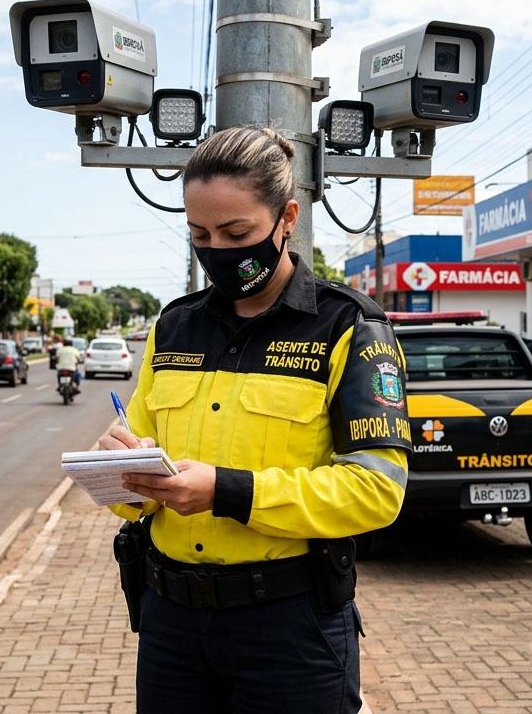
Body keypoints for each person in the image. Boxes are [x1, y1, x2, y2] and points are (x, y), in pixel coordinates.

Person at [98, 127, 411, 713]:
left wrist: (225, 491)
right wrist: (123, 469)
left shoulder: (348, 327)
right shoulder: (174, 327)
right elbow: (133, 487)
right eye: (199, 234)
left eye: (236, 233)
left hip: (290, 629)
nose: (217, 249)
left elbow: (377, 491)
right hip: (170, 625)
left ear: (287, 217)